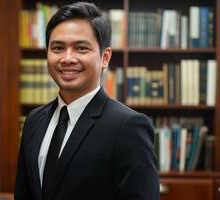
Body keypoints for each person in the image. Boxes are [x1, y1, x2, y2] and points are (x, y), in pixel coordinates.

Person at [14, 2, 159, 200]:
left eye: (81, 48)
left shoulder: (128, 127)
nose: (67, 58)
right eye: (58, 48)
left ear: (105, 57)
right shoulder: (34, 120)